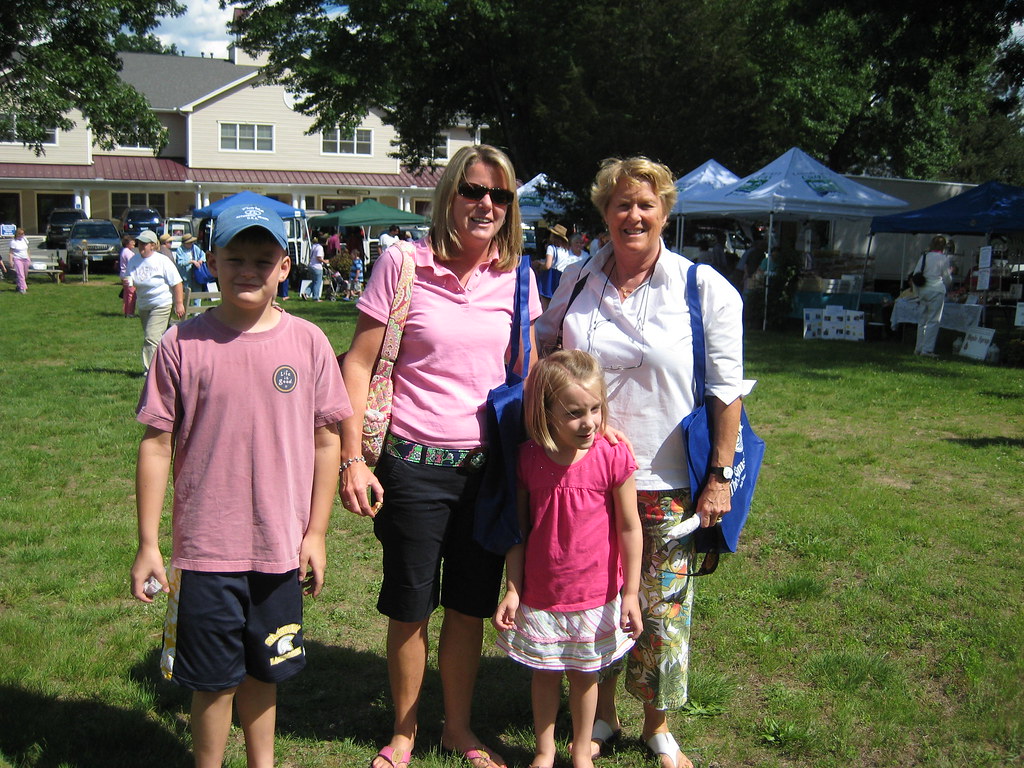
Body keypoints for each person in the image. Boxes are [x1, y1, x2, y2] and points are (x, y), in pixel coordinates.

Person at [536, 157, 744, 768]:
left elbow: (726, 391)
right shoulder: (576, 279)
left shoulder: (701, 289)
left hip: (667, 479)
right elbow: (544, 347)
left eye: (645, 204)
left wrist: (719, 478)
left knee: (661, 612)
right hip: (586, 478)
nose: (633, 215)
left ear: (665, 212)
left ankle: (657, 726)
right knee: (593, 602)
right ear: (604, 213)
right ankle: (600, 718)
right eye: (621, 204)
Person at [338, 143, 541, 768]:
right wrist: (353, 459)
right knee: (409, 605)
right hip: (411, 465)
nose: (486, 205)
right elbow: (357, 362)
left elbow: (528, 375)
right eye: (474, 191)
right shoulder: (404, 264)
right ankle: (403, 732)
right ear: (449, 195)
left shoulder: (520, 279)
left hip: (486, 473)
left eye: (499, 196)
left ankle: (457, 728)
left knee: (468, 607)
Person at [130, 202, 351, 768]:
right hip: (207, 550)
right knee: (212, 680)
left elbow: (329, 443)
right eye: (235, 257)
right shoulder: (182, 345)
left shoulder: (308, 343)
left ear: (285, 267)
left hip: (279, 547)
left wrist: (317, 532)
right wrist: (150, 544)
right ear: (210, 262)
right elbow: (156, 446)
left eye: (263, 258)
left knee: (265, 669)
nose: (248, 269)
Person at [493, 350, 642, 768]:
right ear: (546, 411)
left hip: (595, 596)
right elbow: (519, 533)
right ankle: (544, 750)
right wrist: (513, 589)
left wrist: (630, 593)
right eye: (575, 412)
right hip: (542, 594)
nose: (589, 422)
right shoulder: (527, 461)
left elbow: (631, 527)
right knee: (544, 674)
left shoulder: (613, 457)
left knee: (583, 675)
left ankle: (580, 751)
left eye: (596, 409)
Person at [125, 230, 185, 373]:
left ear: (152, 245)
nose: (141, 246)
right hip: (144, 304)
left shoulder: (162, 261)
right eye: (139, 243)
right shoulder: (134, 260)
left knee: (151, 337)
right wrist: (129, 284)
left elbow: (177, 283)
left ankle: (151, 371)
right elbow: (128, 279)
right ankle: (170, 363)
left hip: (161, 303)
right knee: (157, 338)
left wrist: (179, 303)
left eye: (144, 243)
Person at [912, 235, 952, 357]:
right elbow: (946, 277)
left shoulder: (924, 257)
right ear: (944, 247)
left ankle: (918, 348)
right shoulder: (943, 258)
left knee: (922, 321)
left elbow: (915, 274)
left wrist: (916, 293)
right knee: (933, 320)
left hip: (923, 290)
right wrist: (949, 283)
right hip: (936, 290)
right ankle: (927, 350)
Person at [537, 224, 574, 308]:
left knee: (545, 304)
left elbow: (548, 265)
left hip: (549, 278)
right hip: (561, 277)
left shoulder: (551, 248)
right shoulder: (566, 250)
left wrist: (539, 265)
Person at [7, 227, 31, 294]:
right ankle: (23, 289)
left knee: (25, 274)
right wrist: (11, 261)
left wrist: (29, 258)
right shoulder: (13, 242)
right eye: (20, 234)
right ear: (17, 234)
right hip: (18, 259)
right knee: (21, 274)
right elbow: (11, 253)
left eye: (23, 233)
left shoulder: (24, 239)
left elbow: (28, 249)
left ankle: (18, 285)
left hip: (25, 259)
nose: (22, 235)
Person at [119, 234, 138, 317]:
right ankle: (130, 312)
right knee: (131, 294)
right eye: (131, 241)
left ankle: (126, 311)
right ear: (127, 243)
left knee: (126, 294)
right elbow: (132, 263)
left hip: (124, 275)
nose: (134, 243)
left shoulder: (124, 251)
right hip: (129, 276)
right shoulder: (128, 252)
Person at [307, 234, 327, 301]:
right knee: (317, 282)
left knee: (314, 281)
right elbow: (319, 257)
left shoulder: (314, 246)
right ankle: (316, 297)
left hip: (311, 265)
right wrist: (325, 261)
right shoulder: (320, 248)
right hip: (317, 266)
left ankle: (306, 293)